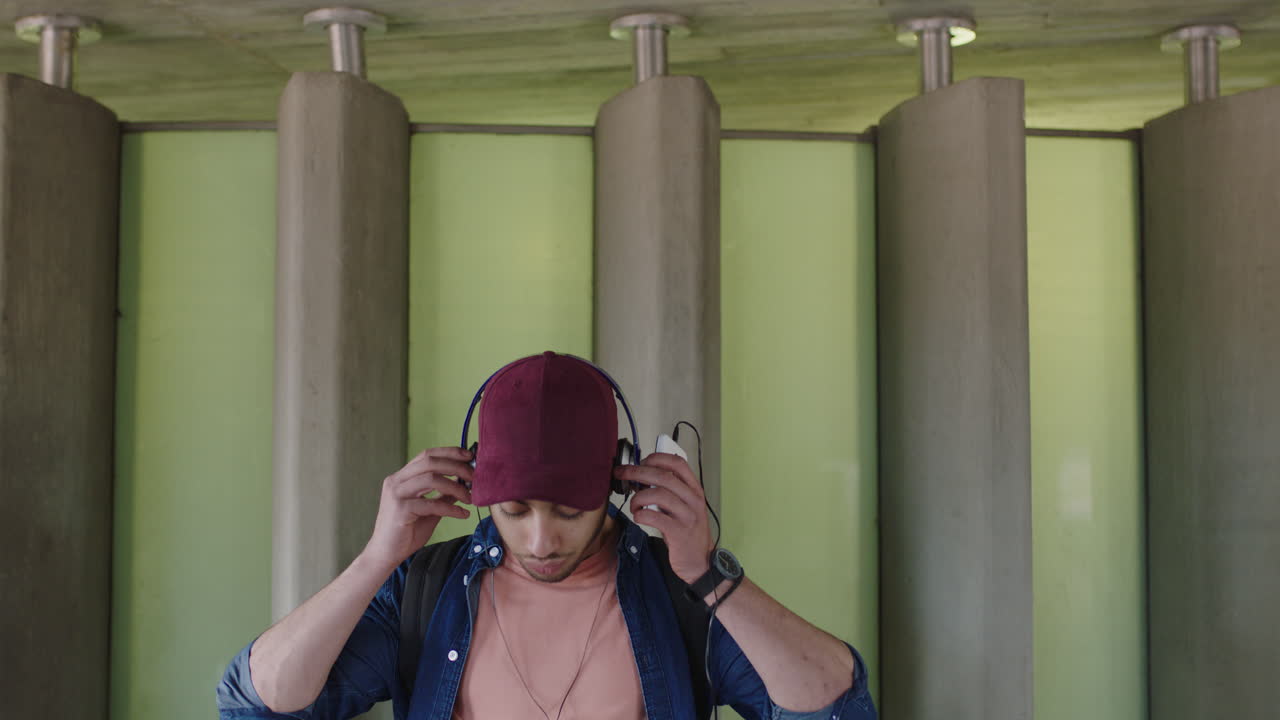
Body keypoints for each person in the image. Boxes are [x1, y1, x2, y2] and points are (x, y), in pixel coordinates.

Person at [217, 351, 876, 720]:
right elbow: (260, 707)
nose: (539, 540)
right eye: (515, 508)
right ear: (477, 483)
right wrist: (375, 560)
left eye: (568, 510)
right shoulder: (428, 590)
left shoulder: (680, 598)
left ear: (620, 480)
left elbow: (835, 711)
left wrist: (708, 574)